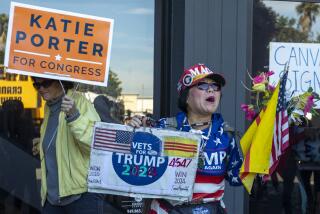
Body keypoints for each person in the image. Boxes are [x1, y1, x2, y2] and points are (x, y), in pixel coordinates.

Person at [129, 63, 243, 214]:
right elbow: (136, 165)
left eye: (215, 86)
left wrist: (259, 163)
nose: (211, 90)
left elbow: (237, 178)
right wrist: (133, 130)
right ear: (186, 97)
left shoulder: (227, 134)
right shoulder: (163, 128)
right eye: (202, 85)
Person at [31, 77, 105, 214]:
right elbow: (60, 142)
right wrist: (41, 145)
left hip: (81, 197)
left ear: (60, 82)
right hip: (52, 199)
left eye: (45, 83)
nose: (41, 88)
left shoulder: (80, 102)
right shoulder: (49, 107)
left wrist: (74, 116)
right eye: (36, 85)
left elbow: (96, 145)